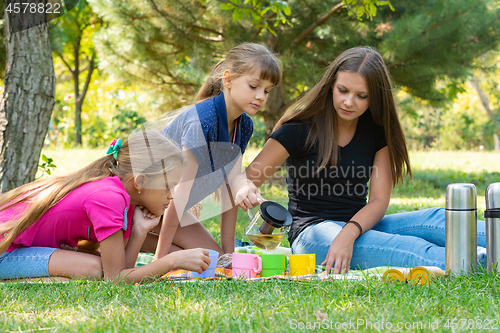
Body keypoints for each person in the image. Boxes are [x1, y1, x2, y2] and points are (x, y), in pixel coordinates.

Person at [234, 46, 487, 274]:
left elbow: (379, 200)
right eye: (342, 90)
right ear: (331, 85)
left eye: (361, 96)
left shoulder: (376, 131)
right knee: (409, 248)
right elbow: (247, 180)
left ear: (374, 97)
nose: (348, 102)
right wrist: (248, 190)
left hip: (359, 226)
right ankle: (479, 262)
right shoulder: (299, 128)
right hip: (313, 235)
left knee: (438, 219)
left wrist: (350, 232)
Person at [0, 131, 211, 283]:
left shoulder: (126, 199)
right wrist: (171, 261)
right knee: (93, 269)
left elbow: (122, 269)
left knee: (98, 267)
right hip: (5, 251)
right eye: (168, 186)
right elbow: (116, 280)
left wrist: (139, 230)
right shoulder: (109, 197)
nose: (172, 195)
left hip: (21, 248)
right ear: (141, 182)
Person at [146, 42, 282, 259]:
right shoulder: (202, 121)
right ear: (228, 80)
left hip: (168, 211)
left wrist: (230, 254)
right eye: (254, 86)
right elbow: (178, 196)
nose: (260, 96)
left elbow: (231, 189)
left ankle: (147, 239)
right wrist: (160, 261)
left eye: (266, 91)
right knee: (177, 256)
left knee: (216, 259)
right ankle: (134, 237)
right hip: (144, 202)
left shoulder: (244, 125)